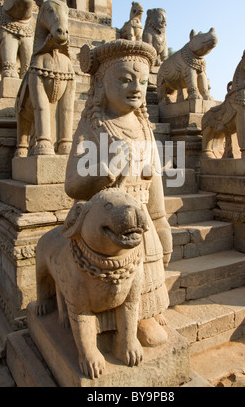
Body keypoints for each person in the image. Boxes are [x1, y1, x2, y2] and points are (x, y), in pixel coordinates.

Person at [65, 39, 172, 347]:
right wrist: (102, 171)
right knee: (115, 273)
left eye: (143, 81)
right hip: (107, 222)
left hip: (142, 218)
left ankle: (145, 313)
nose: (136, 87)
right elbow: (72, 184)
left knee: (149, 266)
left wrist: (161, 219)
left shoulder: (144, 128)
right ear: (100, 83)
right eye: (125, 79)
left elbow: (155, 178)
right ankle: (118, 322)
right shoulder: (93, 126)